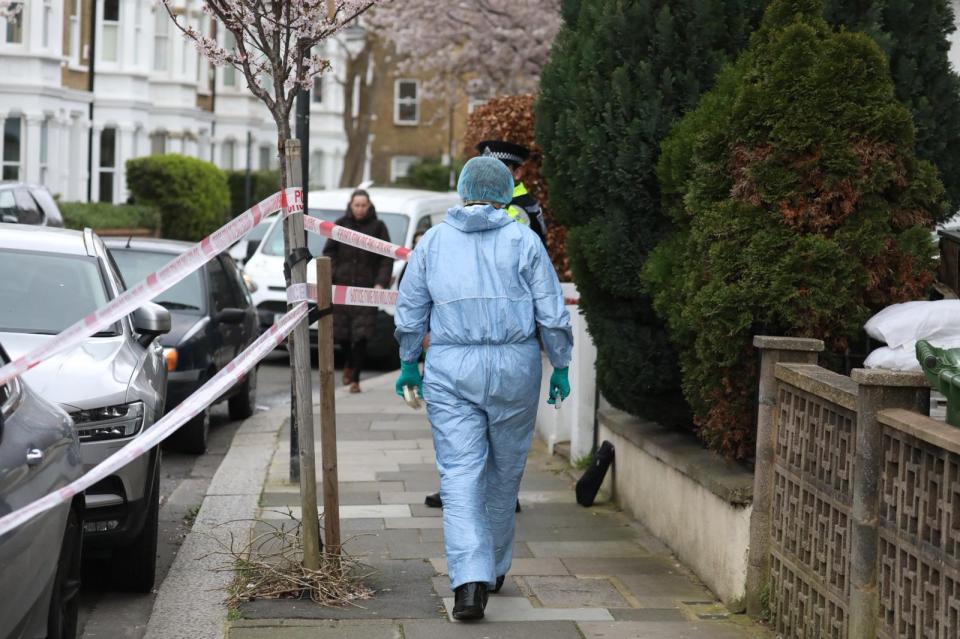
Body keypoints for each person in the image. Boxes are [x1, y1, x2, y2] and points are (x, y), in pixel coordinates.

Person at [394, 157, 572, 621]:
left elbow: (410, 309)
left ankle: (468, 583)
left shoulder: (432, 242)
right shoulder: (524, 240)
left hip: (453, 366)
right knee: (505, 471)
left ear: (462, 189)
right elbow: (551, 310)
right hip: (516, 365)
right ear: (505, 191)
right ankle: (491, 567)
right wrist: (561, 364)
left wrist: (409, 362)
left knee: (459, 474)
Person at [423, 139, 545, 511]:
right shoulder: (504, 209)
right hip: (478, 343)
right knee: (471, 437)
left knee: (496, 440)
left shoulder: (519, 212)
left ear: (517, 172)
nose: (491, 179)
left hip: (500, 338)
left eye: (502, 170)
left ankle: (485, 496)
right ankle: (470, 493)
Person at [323, 189, 393, 393]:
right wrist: (334, 273)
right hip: (342, 289)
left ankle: (355, 379)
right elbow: (329, 251)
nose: (360, 209)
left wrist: (380, 282)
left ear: (369, 206)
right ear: (350, 205)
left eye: (363, 205)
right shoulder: (341, 224)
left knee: (361, 336)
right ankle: (349, 363)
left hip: (366, 289)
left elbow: (386, 257)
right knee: (342, 335)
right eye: (357, 205)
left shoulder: (378, 227)